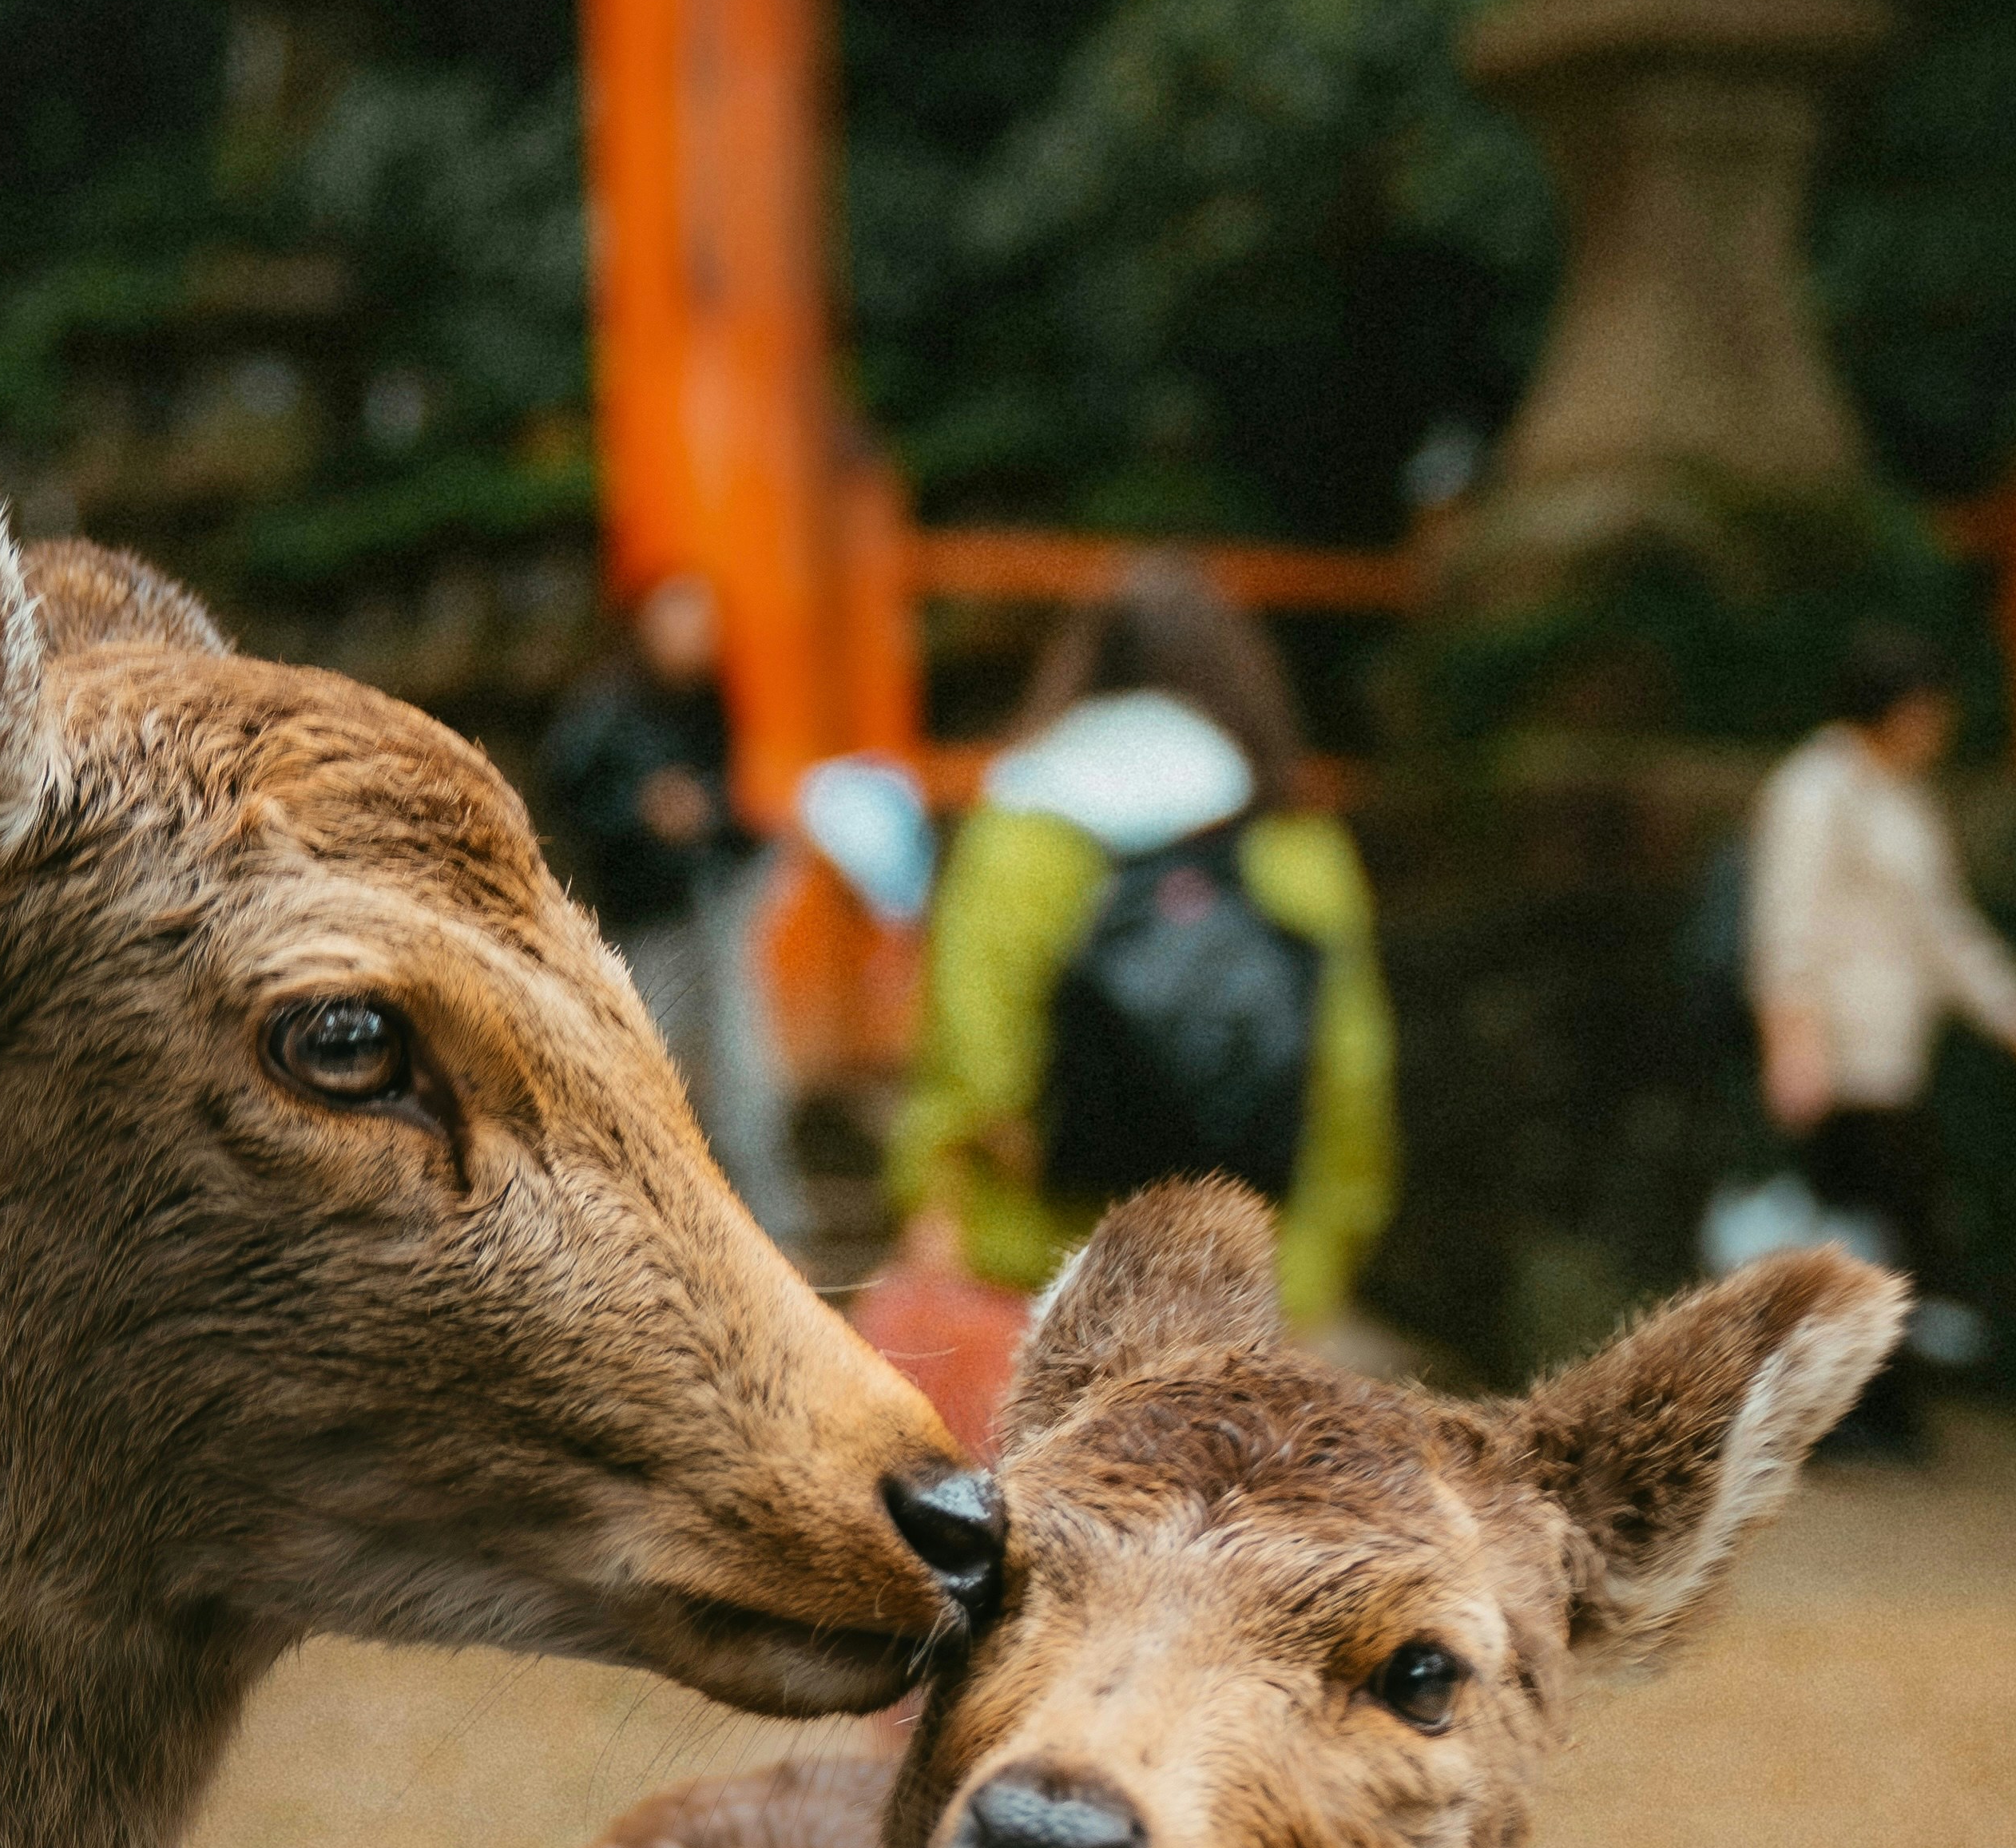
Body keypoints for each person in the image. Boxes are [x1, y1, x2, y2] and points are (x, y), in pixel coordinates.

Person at [879, 559, 1397, 1342]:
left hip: (1046, 1284)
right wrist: (1316, 1266)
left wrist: (934, 1202)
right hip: (1251, 1287)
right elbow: (1351, 1082)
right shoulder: (1300, 846)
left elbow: (975, 1067)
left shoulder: (1021, 831)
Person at [1741, 622, 2016, 1456]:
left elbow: (1948, 934)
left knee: (1889, 1240)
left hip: (1895, 1055)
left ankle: (1881, 1411)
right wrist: (1792, 1039)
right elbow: (1785, 923)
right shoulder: (1814, 790)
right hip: (1834, 1058)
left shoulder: (1903, 800)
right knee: (1848, 1242)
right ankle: (1838, 1418)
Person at [538, 567, 795, 1229]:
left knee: (742, 1068)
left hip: (711, 900)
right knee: (646, 1063)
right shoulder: (604, 709)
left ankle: (768, 1217)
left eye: (702, 622)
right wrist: (640, 812)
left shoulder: (708, 700)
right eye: (678, 619)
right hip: (644, 915)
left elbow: (724, 799)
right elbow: (567, 802)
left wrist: (750, 834)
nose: (692, 636)